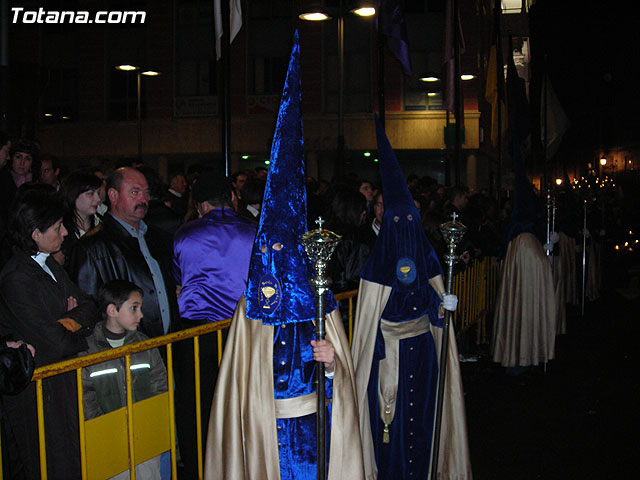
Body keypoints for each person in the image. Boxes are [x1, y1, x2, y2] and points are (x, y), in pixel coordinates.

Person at [204, 32, 364, 480]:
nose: (279, 258)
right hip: (266, 437)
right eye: (270, 247)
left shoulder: (321, 303)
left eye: (286, 247)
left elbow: (343, 381)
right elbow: (240, 391)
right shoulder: (251, 310)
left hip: (317, 430)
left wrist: (332, 364)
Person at [351, 116, 471, 480]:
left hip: (424, 355)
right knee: (393, 425)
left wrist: (442, 306)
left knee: (424, 420)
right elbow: (369, 323)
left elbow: (433, 302)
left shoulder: (427, 257)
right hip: (389, 359)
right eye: (395, 221)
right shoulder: (376, 268)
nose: (402, 227)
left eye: (409, 219)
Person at [0, 188, 97, 479]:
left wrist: (66, 320)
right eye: (57, 227)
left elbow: (90, 305)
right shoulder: (17, 278)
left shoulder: (49, 265)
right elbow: (53, 343)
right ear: (35, 234)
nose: (66, 233)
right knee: (47, 464)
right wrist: (74, 324)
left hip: (60, 384)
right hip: (38, 392)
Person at [172, 171, 256, 479]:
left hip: (198, 335)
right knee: (243, 405)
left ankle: (201, 468)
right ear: (232, 198)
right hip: (244, 332)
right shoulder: (254, 230)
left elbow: (178, 281)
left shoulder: (185, 233)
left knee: (198, 409)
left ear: (201, 203)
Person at [69, 167, 178, 338]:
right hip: (124, 348)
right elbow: (88, 305)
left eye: (145, 193)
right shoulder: (92, 247)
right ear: (113, 195)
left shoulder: (157, 238)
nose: (143, 199)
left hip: (166, 344)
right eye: (135, 192)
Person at [81, 280, 168, 480]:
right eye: (134, 309)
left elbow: (159, 384)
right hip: (107, 441)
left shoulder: (144, 344)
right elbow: (85, 396)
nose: (141, 315)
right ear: (112, 310)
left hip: (143, 436)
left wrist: (148, 422)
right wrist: (106, 430)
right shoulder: (88, 350)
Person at [59, 170, 104, 262]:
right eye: (90, 194)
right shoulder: (59, 230)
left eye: (98, 193)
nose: (98, 199)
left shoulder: (104, 224)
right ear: (73, 194)